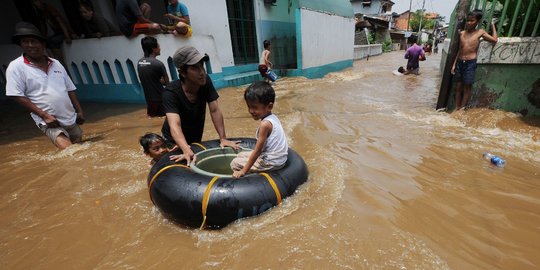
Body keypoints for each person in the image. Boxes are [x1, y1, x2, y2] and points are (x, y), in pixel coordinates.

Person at [5, 22, 85, 150]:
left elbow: (70, 89)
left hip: (69, 117)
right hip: (49, 122)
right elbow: (16, 95)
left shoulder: (56, 64)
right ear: (21, 44)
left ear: (42, 44)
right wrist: (44, 115)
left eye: (34, 41)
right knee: (72, 152)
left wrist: (79, 111)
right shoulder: (16, 67)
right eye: (26, 41)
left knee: (81, 149)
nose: (30, 45)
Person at [161, 46, 240, 165]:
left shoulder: (205, 82)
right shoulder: (170, 93)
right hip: (173, 141)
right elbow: (174, 124)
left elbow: (215, 110)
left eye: (201, 66)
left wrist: (223, 138)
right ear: (183, 72)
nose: (202, 72)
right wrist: (185, 148)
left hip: (194, 135)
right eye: (195, 68)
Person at [231, 81, 288, 179]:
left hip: (271, 162)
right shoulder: (273, 117)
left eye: (254, 107)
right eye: (249, 106)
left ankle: (249, 181)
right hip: (278, 159)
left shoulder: (265, 124)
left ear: (269, 106)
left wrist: (243, 171)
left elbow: (257, 151)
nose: (250, 111)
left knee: (235, 163)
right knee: (240, 155)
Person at [452, 9, 498, 111]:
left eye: (471, 20)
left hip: (470, 63)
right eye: (468, 20)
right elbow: (460, 49)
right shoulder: (462, 33)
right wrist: (454, 64)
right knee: (458, 87)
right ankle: (456, 108)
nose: (469, 23)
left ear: (477, 21)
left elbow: (494, 40)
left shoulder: (480, 32)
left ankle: (462, 109)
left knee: (467, 87)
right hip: (460, 62)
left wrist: (492, 26)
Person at [31, 0, 78, 65]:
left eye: (36, 2)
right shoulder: (40, 13)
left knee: (52, 42)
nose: (35, 4)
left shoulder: (50, 9)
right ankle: (57, 61)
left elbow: (61, 22)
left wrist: (67, 36)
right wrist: (43, 38)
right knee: (49, 43)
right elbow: (43, 26)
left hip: (62, 32)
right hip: (56, 33)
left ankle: (61, 61)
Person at [137, 36, 169, 117]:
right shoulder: (158, 64)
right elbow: (168, 84)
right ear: (153, 49)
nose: (160, 48)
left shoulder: (140, 63)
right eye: (158, 46)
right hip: (160, 100)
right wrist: (163, 82)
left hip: (149, 101)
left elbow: (149, 78)